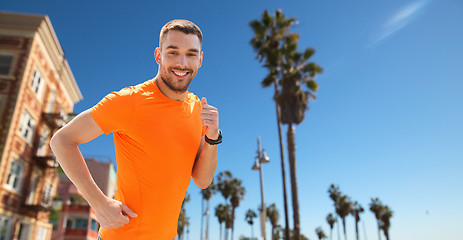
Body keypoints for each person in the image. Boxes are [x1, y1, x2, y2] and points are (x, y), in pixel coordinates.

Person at [50, 19, 221, 240]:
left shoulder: (197, 108)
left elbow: (202, 180)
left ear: (200, 59)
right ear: (158, 56)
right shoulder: (128, 101)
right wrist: (98, 203)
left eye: (191, 54)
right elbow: (61, 141)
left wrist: (213, 136)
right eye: (172, 52)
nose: (182, 62)